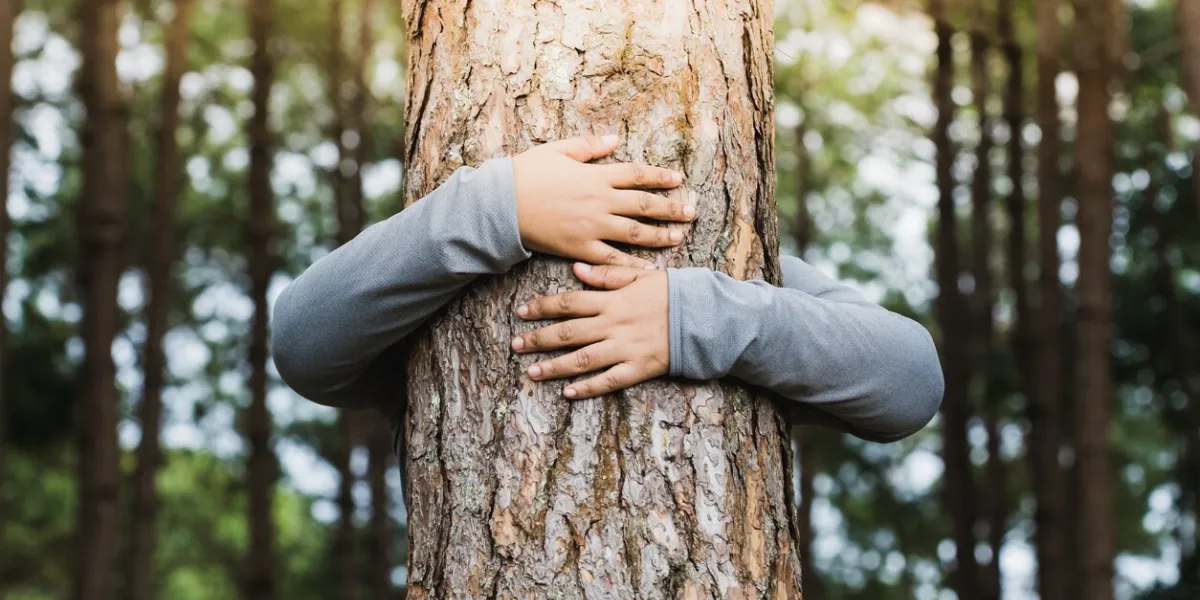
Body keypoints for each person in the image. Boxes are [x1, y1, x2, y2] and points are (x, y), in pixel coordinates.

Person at [272, 135, 943, 443]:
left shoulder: (742, 269)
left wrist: (697, 316)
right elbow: (302, 341)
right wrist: (498, 207)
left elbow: (911, 380)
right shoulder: (431, 283)